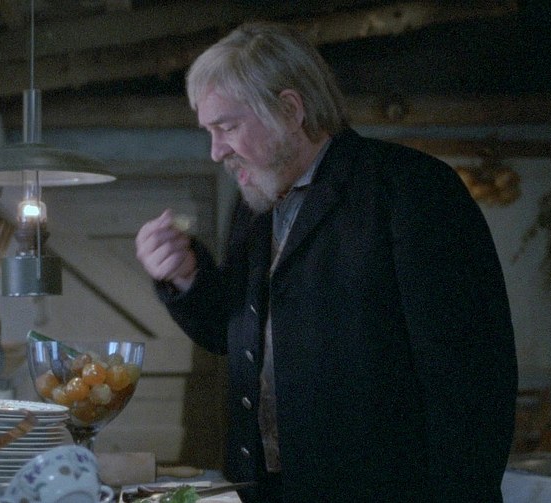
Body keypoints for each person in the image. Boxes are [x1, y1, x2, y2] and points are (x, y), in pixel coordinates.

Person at [135, 22, 518, 503]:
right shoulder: (255, 205)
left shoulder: (411, 188)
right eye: (209, 132)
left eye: (227, 127)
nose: (216, 152)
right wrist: (185, 276)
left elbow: (472, 382)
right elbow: (233, 337)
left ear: (290, 110)